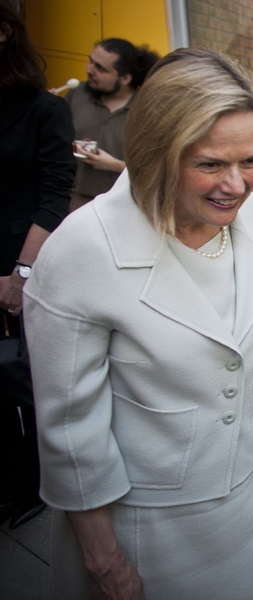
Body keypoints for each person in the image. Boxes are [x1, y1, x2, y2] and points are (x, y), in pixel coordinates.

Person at [24, 47, 253, 599]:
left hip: (249, 505)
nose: (237, 185)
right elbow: (71, 429)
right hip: (146, 523)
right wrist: (103, 559)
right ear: (155, 153)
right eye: (209, 164)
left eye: (250, 160)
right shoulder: (81, 251)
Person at [0, 0, 76, 530]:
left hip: (19, 259)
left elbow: (54, 194)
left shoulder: (44, 109)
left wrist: (21, 273)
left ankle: (30, 485)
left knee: (24, 376)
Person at [66, 38, 158, 212]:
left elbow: (157, 171)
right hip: (74, 203)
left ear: (124, 78)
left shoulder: (147, 109)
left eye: (100, 68)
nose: (88, 70)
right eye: (90, 61)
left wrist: (115, 165)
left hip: (125, 206)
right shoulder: (77, 95)